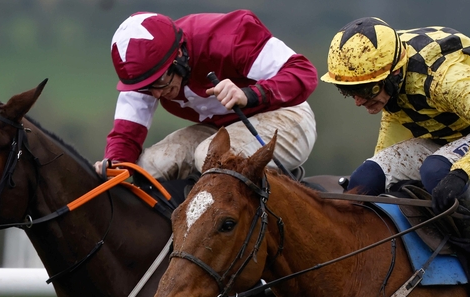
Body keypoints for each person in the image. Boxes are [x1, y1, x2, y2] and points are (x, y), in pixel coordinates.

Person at [321, 17, 470, 297]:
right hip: (449, 136)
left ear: (395, 74)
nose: (358, 100)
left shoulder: (443, 76)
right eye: (348, 91)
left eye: (366, 89)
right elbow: (394, 133)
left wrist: (463, 171)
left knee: (438, 174)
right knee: (364, 182)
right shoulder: (391, 78)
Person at [97, 10, 318, 180]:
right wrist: (114, 165)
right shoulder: (147, 76)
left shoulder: (231, 36)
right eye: (146, 88)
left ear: (179, 55)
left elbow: (303, 72)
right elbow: (125, 136)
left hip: (286, 115)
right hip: (221, 128)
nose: (155, 94)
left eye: (159, 83)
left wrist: (250, 94)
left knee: (210, 157)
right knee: (148, 167)